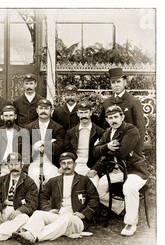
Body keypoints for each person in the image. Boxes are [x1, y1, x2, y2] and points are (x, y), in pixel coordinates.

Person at [13, 152, 99, 245]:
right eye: (63, 163)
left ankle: (36, 237)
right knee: (38, 213)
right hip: (58, 215)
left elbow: (94, 199)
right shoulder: (54, 181)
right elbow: (42, 196)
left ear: (75, 164)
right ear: (60, 165)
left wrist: (84, 214)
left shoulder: (84, 180)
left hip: (76, 219)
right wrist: (48, 209)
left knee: (67, 218)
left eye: (69, 163)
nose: (66, 166)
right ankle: (28, 233)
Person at [93, 105, 148, 236]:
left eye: (116, 117)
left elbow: (123, 152)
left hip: (134, 170)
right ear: (106, 120)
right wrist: (108, 146)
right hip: (116, 171)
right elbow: (95, 152)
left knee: (129, 188)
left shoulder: (131, 129)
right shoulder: (107, 132)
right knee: (97, 189)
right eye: (110, 118)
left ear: (122, 117)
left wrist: (104, 148)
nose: (113, 120)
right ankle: (123, 207)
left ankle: (130, 223)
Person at [25, 98, 65, 190]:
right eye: (41, 108)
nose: (43, 111)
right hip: (34, 161)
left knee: (52, 181)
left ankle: (48, 204)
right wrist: (35, 148)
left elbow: (59, 148)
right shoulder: (29, 127)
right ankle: (33, 203)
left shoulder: (58, 128)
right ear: (37, 110)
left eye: (46, 108)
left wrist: (44, 144)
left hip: (50, 161)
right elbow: (25, 148)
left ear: (51, 110)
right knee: (32, 181)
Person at [63, 101, 105, 187]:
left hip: (91, 166)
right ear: (77, 114)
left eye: (86, 112)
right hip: (75, 164)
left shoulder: (100, 132)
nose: (83, 115)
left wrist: (95, 169)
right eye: (81, 113)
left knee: (93, 186)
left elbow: (104, 154)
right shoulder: (70, 132)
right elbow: (67, 152)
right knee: (67, 185)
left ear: (90, 113)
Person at [99, 67, 146, 142]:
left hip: (129, 145)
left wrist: (136, 150)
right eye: (113, 82)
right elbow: (102, 127)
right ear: (110, 84)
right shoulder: (106, 103)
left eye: (118, 81)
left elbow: (140, 128)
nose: (116, 85)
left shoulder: (133, 101)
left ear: (124, 82)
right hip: (110, 146)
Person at [0, 105, 30, 190]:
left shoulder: (23, 132)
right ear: (2, 117)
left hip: (18, 165)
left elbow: (26, 153)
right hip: (2, 166)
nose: (8, 118)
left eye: (11, 115)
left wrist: (24, 170)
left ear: (15, 116)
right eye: (6, 116)